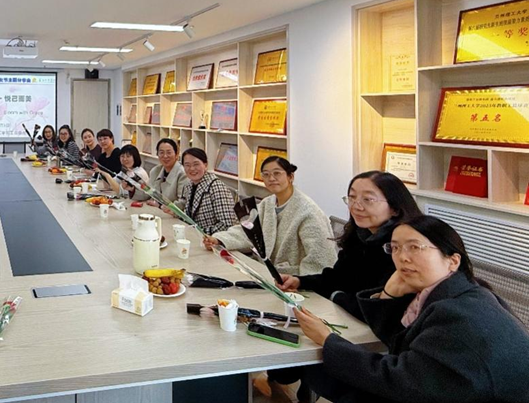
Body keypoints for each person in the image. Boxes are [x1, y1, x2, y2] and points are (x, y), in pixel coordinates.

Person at [296, 216, 529, 403]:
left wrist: (328, 339)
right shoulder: (464, 292)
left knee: (331, 377)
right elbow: (401, 344)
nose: (402, 258)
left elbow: (401, 381)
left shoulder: (457, 313)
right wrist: (388, 295)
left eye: (415, 247)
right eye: (395, 248)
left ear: (452, 260)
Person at [278, 171, 423, 319]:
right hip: (350, 317)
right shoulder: (360, 234)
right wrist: (299, 281)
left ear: (395, 208)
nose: (356, 206)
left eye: (368, 199)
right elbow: (338, 277)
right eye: (352, 198)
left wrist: (336, 296)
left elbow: (377, 308)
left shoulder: (403, 249)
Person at [207, 157, 337, 276]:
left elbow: (321, 257)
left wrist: (301, 282)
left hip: (295, 279)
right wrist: (220, 239)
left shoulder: (308, 212)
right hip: (266, 273)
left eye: (277, 173)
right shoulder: (268, 203)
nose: (271, 178)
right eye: (266, 174)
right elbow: (249, 231)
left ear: (290, 176)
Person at [165, 148, 235, 234]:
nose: (191, 169)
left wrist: (200, 232)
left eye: (196, 164)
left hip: (210, 238)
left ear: (205, 165)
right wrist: (176, 213)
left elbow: (227, 225)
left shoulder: (216, 187)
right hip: (192, 235)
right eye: (187, 165)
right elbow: (190, 217)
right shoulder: (188, 186)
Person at [132, 138, 189, 206]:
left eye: (169, 152)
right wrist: (132, 190)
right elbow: (148, 193)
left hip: (170, 212)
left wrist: (160, 206)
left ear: (176, 155)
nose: (165, 156)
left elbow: (183, 202)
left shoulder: (182, 173)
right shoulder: (155, 171)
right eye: (161, 153)